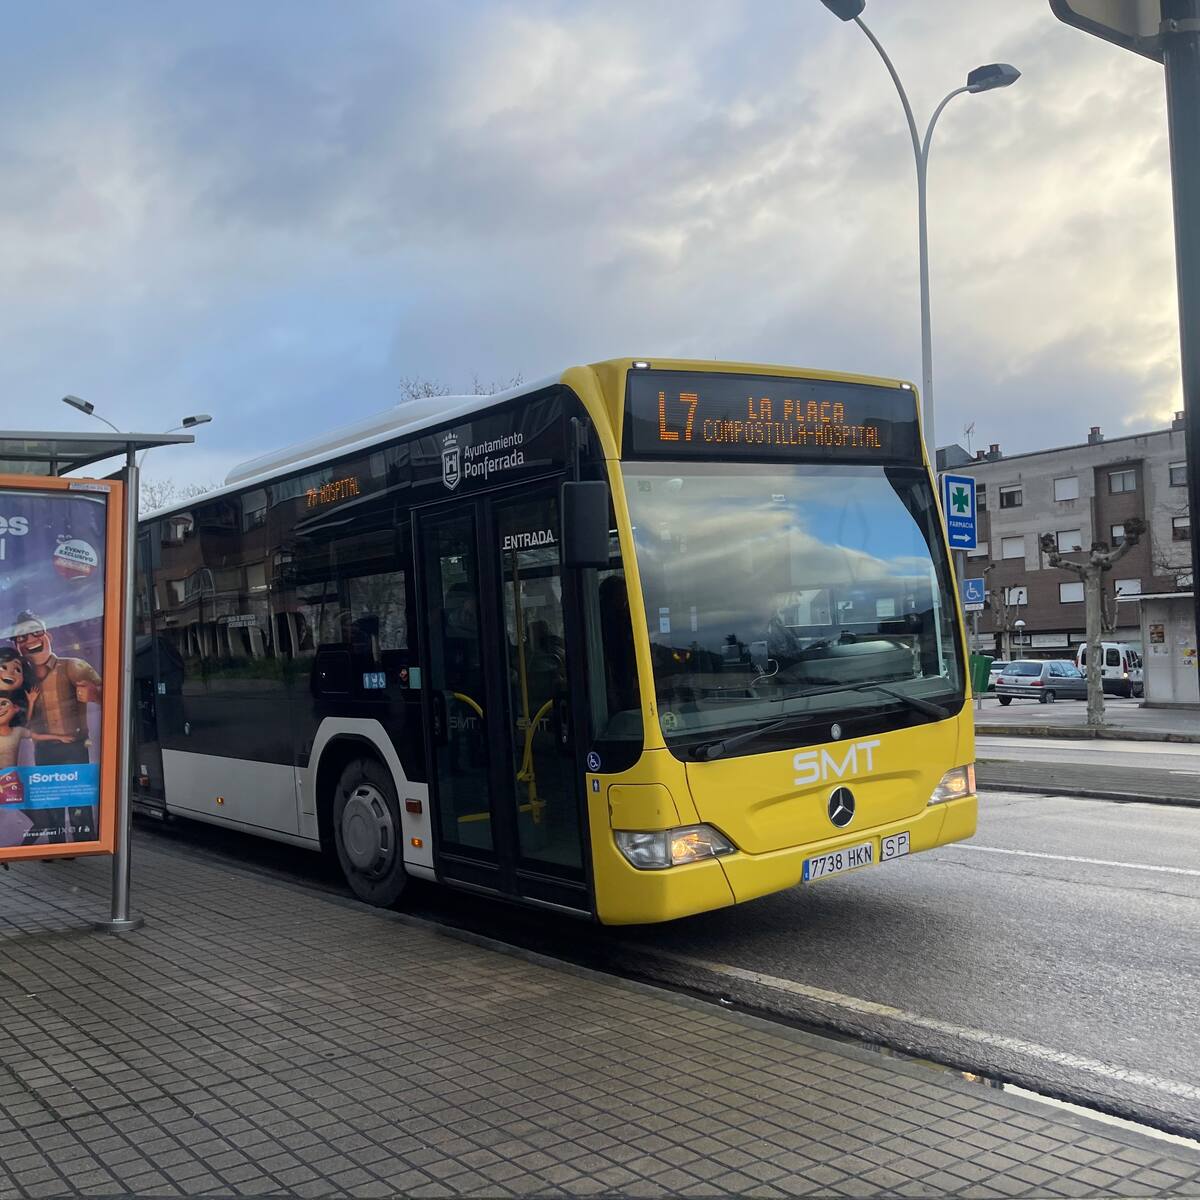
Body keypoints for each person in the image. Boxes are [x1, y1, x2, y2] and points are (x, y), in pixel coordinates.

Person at [10, 612, 102, 842]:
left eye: (35, 632)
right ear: (16, 645)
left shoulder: (73, 666)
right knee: (51, 802)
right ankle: (56, 846)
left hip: (74, 747)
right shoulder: (21, 678)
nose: (30, 640)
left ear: (47, 634)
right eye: (21, 637)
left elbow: (113, 695)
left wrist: (95, 694)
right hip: (44, 750)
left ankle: (83, 845)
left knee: (77, 801)